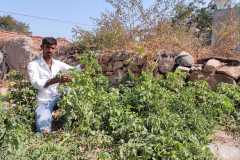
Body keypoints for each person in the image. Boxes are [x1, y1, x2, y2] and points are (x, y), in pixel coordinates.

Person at [27, 37, 73, 133]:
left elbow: (73, 70)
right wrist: (55, 80)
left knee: (71, 91)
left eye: (52, 48)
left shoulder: (57, 64)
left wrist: (83, 65)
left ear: (55, 49)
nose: (50, 50)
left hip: (58, 96)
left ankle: (66, 118)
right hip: (44, 100)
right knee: (44, 129)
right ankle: (47, 123)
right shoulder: (33, 65)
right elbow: (35, 83)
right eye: (47, 47)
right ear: (42, 47)